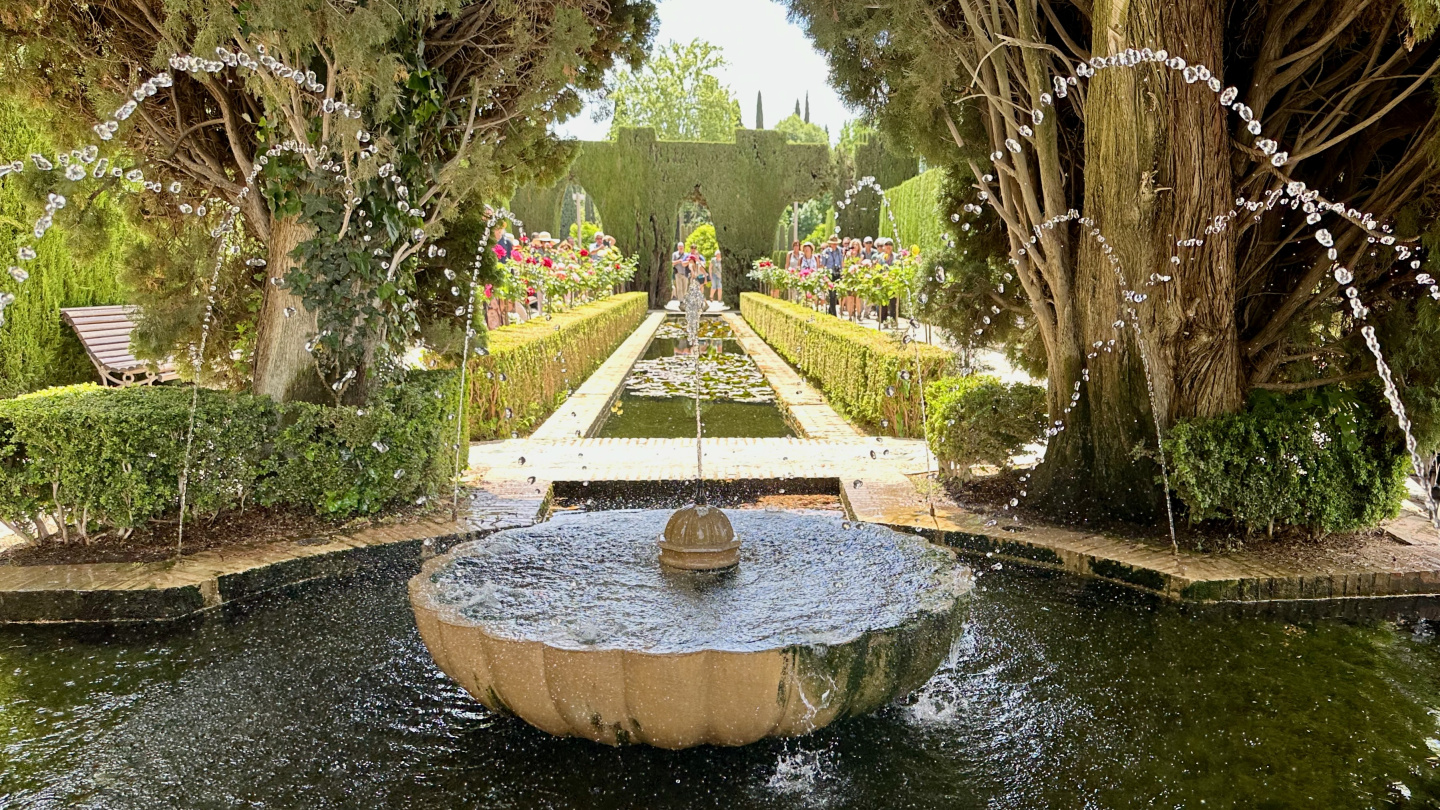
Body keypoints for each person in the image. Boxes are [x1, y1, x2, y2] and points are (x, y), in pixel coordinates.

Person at [820, 237, 844, 316]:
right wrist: (824, 276)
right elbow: (823, 265)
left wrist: (842, 272)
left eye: (836, 243)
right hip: (829, 274)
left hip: (837, 273)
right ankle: (834, 313)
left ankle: (831, 310)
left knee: (835, 294)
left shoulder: (840, 251)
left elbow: (841, 262)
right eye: (833, 243)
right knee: (831, 294)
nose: (834, 245)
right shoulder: (825, 252)